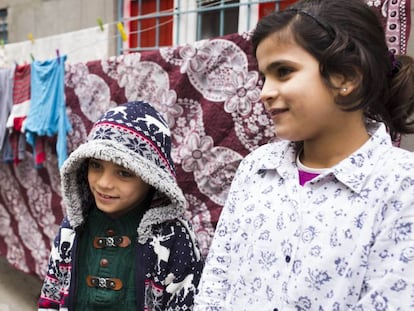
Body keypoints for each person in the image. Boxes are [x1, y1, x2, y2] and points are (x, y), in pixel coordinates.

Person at [194, 0, 414, 310]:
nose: (265, 92)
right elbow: (215, 285)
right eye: (264, 77)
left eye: (283, 72)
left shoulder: (401, 185)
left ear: (346, 77)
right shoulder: (255, 170)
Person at [38, 101, 204, 310]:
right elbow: (51, 293)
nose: (104, 183)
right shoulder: (73, 225)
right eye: (96, 165)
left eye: (124, 172)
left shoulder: (174, 238)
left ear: (152, 178)